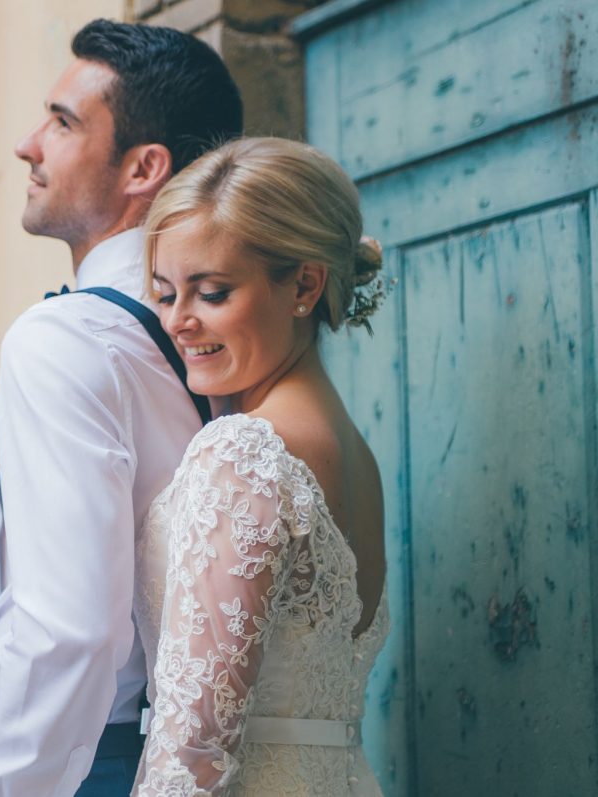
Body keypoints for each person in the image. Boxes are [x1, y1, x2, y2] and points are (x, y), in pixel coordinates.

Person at [0, 19, 243, 797]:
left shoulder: (64, 338)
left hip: (55, 762)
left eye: (63, 123)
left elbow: (69, 630)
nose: (27, 144)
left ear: (143, 167)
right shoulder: (229, 336)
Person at [132, 137, 390, 795]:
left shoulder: (242, 453)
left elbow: (195, 748)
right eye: (164, 293)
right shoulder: (352, 451)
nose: (179, 322)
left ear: (305, 283)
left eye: (211, 292)